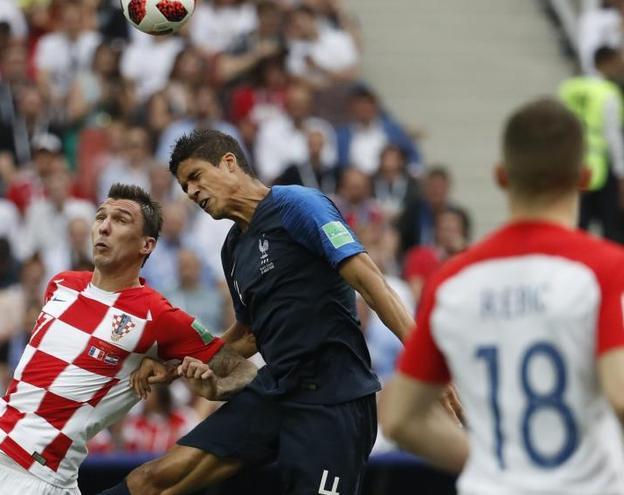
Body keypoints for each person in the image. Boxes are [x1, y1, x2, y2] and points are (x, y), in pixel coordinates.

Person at [104, 129, 415, 495]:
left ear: (229, 163)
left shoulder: (298, 206)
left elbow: (370, 281)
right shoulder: (233, 250)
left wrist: (420, 356)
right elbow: (248, 335)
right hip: (275, 390)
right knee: (152, 481)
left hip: (335, 400)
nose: (190, 193)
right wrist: (175, 367)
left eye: (195, 177)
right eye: (184, 186)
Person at [379, 99, 624, 493]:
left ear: (501, 176)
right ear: (585, 176)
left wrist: (490, 465)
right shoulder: (606, 269)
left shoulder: (453, 281)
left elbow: (400, 418)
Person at [0, 184, 256, 494]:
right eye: (101, 216)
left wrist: (209, 386)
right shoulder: (61, 284)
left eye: (121, 219)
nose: (105, 226)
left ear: (146, 245)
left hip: (37, 476)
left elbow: (241, 369)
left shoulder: (156, 313)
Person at [559, 46, 624, 243]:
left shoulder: (569, 87)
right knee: (611, 229)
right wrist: (622, 172)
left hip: (572, 164)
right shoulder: (608, 92)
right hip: (601, 166)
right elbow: (612, 134)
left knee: (578, 226)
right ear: (606, 62)